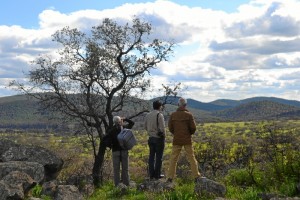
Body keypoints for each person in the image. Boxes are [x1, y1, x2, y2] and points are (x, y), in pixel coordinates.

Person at [166, 97, 201, 183]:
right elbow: (193, 128)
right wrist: (188, 134)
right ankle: (196, 176)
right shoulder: (189, 115)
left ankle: (170, 177)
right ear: (185, 105)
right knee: (191, 158)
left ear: (178, 105)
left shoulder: (173, 115)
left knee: (173, 158)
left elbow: (170, 128)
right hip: (187, 140)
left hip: (177, 139)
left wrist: (176, 133)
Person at [106, 116, 134, 186]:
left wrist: (111, 146)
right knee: (125, 169)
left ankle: (117, 185)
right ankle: (126, 184)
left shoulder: (111, 130)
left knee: (116, 170)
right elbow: (132, 123)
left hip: (115, 151)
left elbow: (106, 141)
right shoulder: (124, 128)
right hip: (124, 150)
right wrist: (124, 119)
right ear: (120, 121)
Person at [144, 100, 166, 180]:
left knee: (151, 157)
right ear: (159, 106)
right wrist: (164, 136)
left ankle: (151, 174)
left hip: (150, 138)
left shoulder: (147, 115)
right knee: (159, 157)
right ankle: (157, 175)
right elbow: (162, 128)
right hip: (158, 139)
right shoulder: (159, 115)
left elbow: (145, 127)